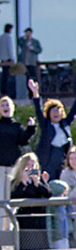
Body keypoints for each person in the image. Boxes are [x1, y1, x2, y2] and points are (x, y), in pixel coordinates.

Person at [29, 78, 76, 181]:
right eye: (53, 110)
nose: (56, 113)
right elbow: (38, 110)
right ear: (49, 113)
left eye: (58, 110)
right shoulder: (45, 125)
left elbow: (74, 110)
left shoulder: (65, 124)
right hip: (49, 158)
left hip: (62, 157)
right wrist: (35, 93)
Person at [0, 95, 35, 230]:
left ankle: (8, 232)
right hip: (0, 168)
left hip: (13, 168)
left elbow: (23, 140)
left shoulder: (16, 126)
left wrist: (31, 128)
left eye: (7, 105)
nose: (5, 107)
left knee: (10, 201)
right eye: (3, 105)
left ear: (12, 108)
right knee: (0, 200)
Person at [10, 152, 51, 250]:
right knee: (26, 244)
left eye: (32, 165)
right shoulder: (16, 182)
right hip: (25, 218)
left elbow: (48, 194)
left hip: (39, 218)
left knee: (41, 244)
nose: (30, 168)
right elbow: (15, 195)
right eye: (27, 165)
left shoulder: (37, 180)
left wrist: (37, 183)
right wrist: (23, 182)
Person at [0, 24, 14, 96]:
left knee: (4, 77)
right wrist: (12, 59)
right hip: (8, 59)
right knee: (8, 77)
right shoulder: (8, 37)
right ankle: (7, 92)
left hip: (2, 59)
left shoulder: (1, 37)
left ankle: (3, 91)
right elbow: (10, 48)